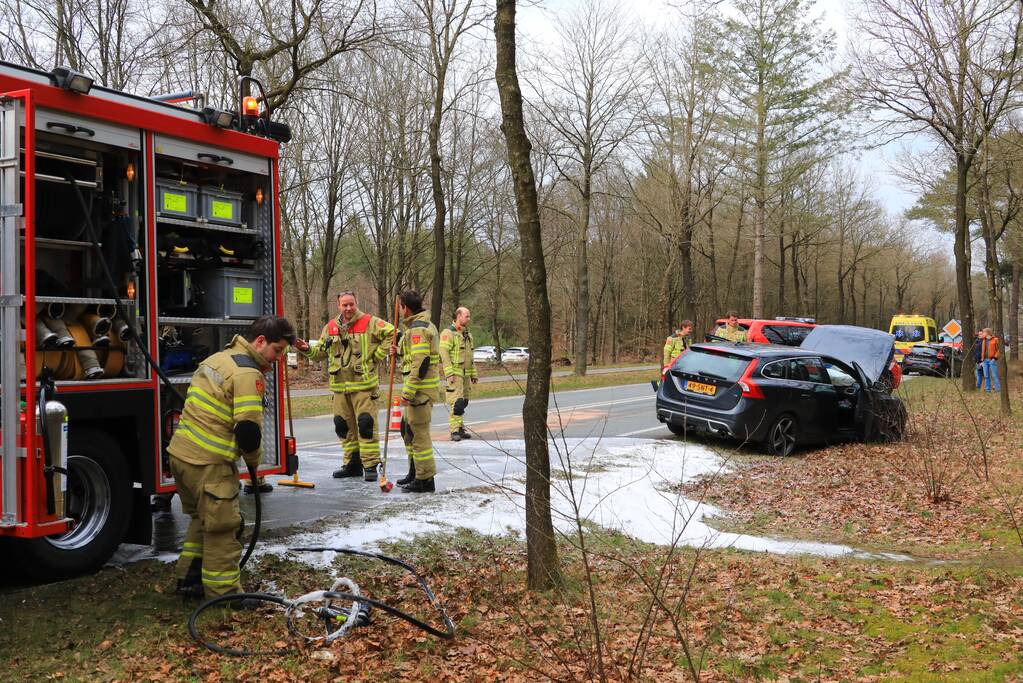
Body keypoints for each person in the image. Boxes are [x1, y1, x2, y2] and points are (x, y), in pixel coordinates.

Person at [168, 315, 294, 600]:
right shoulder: (248, 373)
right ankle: (224, 594)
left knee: (202, 520)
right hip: (209, 464)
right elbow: (248, 430)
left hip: (181, 457)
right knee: (223, 529)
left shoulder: (218, 359)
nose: (277, 358)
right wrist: (254, 462)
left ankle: (189, 579)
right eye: (277, 350)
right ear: (260, 341)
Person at [295, 291, 395, 481]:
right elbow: (320, 353)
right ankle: (352, 464)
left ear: (356, 303)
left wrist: (376, 357)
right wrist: (305, 349)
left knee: (366, 425)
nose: (348, 308)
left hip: (363, 387)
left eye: (351, 304)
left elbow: (393, 333)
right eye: (344, 305)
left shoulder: (369, 322)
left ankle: (370, 465)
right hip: (340, 388)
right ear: (338, 305)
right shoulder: (331, 327)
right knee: (343, 427)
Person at [390, 290, 440, 493]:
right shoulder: (414, 327)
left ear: (405, 308)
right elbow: (414, 354)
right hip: (417, 392)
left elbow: (421, 364)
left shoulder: (419, 329)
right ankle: (415, 471)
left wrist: (408, 393)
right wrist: (399, 351)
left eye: (400, 307)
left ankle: (425, 479)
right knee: (407, 431)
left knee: (419, 435)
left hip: (420, 393)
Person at [440, 306, 479, 441]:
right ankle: (454, 431)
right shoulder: (448, 333)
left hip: (465, 375)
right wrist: (449, 373)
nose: (469, 318)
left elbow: (470, 356)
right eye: (466, 316)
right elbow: (444, 353)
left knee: (464, 402)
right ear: (458, 316)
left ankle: (460, 428)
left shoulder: (467, 334)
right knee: (457, 403)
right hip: (455, 374)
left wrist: (473, 374)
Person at [981, 327, 1001, 393]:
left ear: (987, 333)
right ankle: (988, 390)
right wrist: (982, 360)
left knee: (994, 375)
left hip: (992, 360)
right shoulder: (984, 340)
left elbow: (999, 350)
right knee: (986, 376)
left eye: (983, 332)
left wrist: (994, 358)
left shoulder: (995, 339)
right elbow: (983, 351)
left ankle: (998, 390)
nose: (983, 333)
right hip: (985, 360)